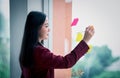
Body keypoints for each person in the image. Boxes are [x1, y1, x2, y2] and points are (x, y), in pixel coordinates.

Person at [19, 11, 95, 78]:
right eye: (46, 26)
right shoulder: (39, 52)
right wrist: (85, 41)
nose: (49, 29)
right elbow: (66, 62)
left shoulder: (27, 50)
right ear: (36, 28)